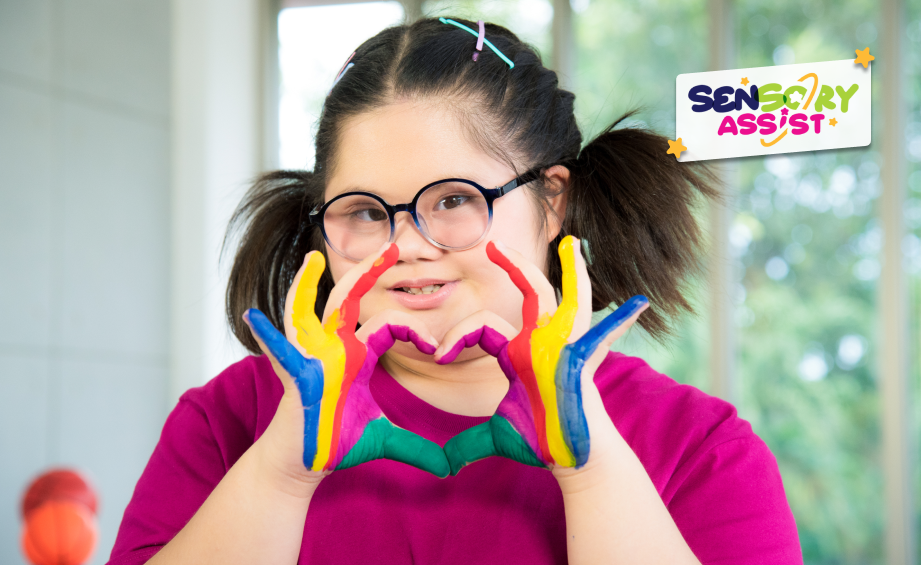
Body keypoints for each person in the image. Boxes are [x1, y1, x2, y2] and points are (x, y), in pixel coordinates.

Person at [107, 16, 802, 565]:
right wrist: (280, 472)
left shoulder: (700, 446)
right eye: (365, 212)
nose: (406, 245)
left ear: (552, 202)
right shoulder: (231, 420)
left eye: (452, 200)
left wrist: (591, 472)